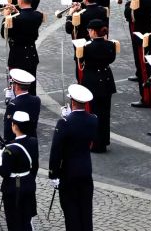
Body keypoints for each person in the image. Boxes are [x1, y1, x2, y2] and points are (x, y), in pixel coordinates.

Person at [49, 84, 97, 230]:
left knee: (71, 214)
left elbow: (56, 150)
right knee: (85, 212)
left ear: (72, 102)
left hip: (68, 173)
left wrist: (53, 174)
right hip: (85, 170)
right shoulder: (93, 119)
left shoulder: (64, 123)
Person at [80, 19, 118, 152]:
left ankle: (95, 143)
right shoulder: (110, 45)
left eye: (90, 30)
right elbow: (111, 59)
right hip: (106, 79)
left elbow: (80, 61)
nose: (88, 33)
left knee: (93, 112)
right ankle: (104, 140)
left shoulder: (87, 47)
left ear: (94, 32)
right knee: (105, 113)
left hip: (93, 81)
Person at [0, 110, 38, 231]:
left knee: (13, 221)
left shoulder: (9, 148)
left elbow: (4, 172)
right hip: (28, 183)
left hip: (12, 189)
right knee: (26, 219)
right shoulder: (33, 142)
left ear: (15, 126)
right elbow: (35, 166)